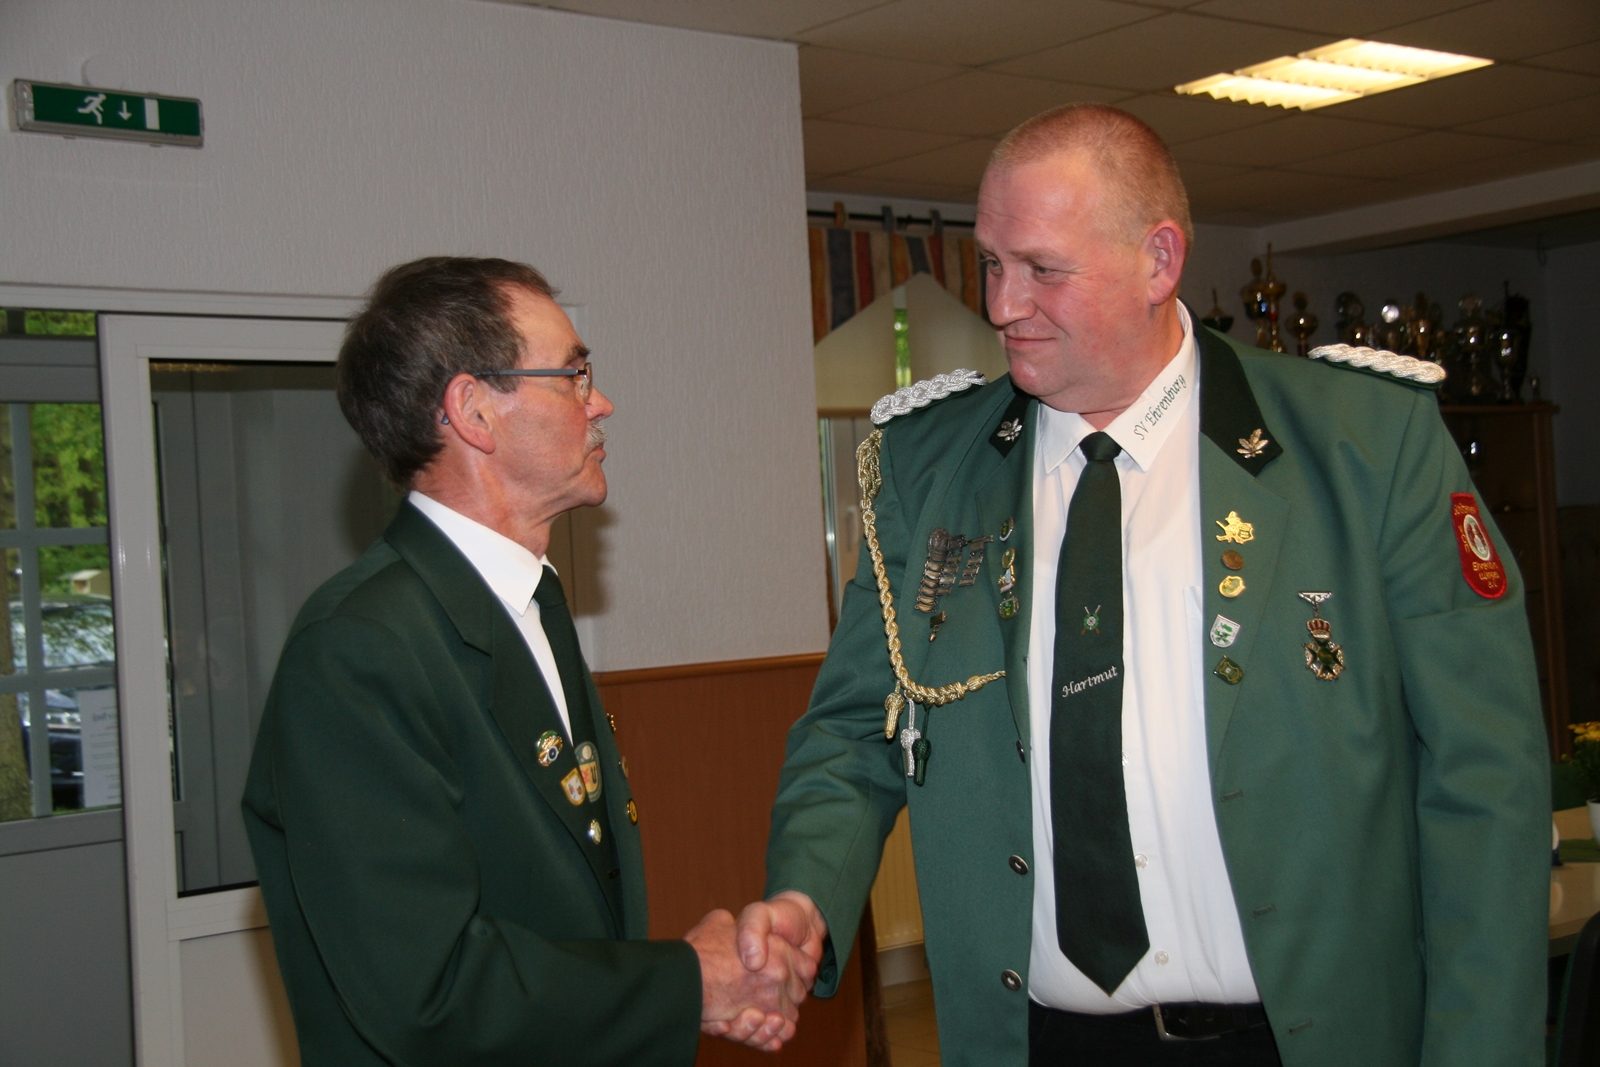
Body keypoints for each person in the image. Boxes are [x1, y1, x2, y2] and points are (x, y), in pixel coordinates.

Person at [746, 104, 1549, 1066]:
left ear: (1159, 260)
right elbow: (852, 731)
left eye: (1043, 269)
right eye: (992, 264)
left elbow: (1483, 775)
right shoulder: (930, 469)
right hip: (1041, 1042)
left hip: (1303, 1039)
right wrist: (806, 896)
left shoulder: (1363, 446)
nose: (1003, 304)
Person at [243, 256, 813, 1066]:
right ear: (474, 411)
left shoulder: (531, 601)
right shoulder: (356, 649)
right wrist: (688, 982)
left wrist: (698, 983)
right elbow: (429, 990)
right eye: (574, 374)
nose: (600, 401)